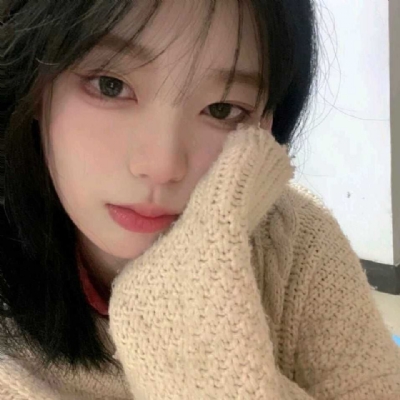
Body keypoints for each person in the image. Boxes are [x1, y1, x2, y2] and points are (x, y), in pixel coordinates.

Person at [1, 0, 399, 398]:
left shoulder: (298, 241)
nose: (162, 165)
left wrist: (195, 329)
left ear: (265, 123)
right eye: (111, 85)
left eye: (222, 109)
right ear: (36, 84)